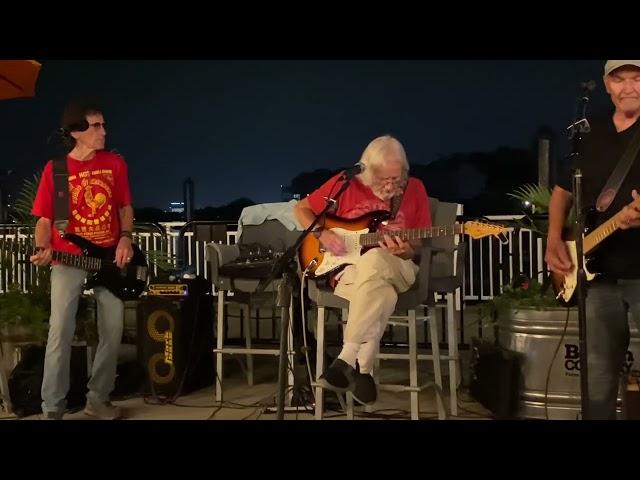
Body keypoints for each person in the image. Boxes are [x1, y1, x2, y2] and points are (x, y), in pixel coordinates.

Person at [293, 134, 431, 405]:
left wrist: (407, 250)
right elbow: (301, 209)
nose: (392, 185)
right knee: (381, 291)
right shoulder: (345, 185)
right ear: (367, 172)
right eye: (384, 179)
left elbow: (417, 244)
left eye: (397, 177)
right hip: (349, 271)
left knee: (375, 260)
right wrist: (322, 233)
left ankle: (346, 357)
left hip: (399, 267)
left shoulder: (415, 188)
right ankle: (363, 370)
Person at [545, 60, 640, 419]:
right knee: (598, 376)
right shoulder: (588, 131)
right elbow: (561, 189)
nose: (629, 87)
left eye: (637, 79)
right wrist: (554, 238)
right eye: (620, 80)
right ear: (606, 84)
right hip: (594, 273)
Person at [30, 98, 134, 420]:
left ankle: (97, 400)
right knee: (60, 330)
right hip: (68, 259)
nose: (104, 131)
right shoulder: (56, 170)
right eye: (96, 125)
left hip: (108, 261)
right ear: (76, 132)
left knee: (113, 329)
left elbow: (124, 208)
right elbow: (45, 221)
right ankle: (53, 409)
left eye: (103, 124)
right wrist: (43, 247)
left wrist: (126, 238)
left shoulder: (115, 164)